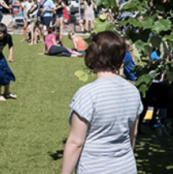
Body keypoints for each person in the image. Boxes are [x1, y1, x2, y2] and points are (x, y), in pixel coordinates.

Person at [60, 31, 142, 174]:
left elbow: (76, 143)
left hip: (94, 168)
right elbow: (132, 134)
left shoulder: (87, 94)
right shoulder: (133, 91)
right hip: (126, 167)